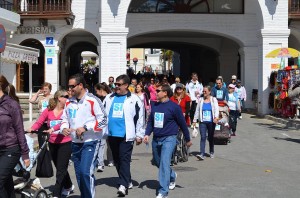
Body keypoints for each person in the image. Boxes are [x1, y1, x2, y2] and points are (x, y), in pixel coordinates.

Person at [60, 74, 107, 198]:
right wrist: (63, 128)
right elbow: (64, 118)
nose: (70, 89)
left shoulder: (93, 100)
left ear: (80, 85)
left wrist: (86, 128)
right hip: (75, 142)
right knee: (80, 174)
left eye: (72, 86)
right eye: (68, 87)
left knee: (86, 172)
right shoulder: (69, 102)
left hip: (91, 141)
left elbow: (103, 120)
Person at [143, 84, 192, 198]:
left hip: (169, 138)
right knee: (157, 161)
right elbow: (151, 122)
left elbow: (182, 123)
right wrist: (146, 134)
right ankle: (172, 175)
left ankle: (163, 191)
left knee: (164, 163)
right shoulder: (154, 105)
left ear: (165, 93)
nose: (156, 92)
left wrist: (188, 139)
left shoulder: (174, 107)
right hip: (156, 138)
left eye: (158, 90)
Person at [103, 74, 145, 196]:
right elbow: (103, 115)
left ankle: (123, 185)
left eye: (119, 84)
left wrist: (139, 135)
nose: (116, 86)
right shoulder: (109, 98)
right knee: (117, 160)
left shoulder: (134, 99)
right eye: (115, 84)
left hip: (126, 135)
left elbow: (140, 118)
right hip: (111, 134)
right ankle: (127, 180)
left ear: (126, 85)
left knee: (124, 159)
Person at [28, 89, 74, 197]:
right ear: (59, 98)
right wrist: (32, 129)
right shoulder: (48, 111)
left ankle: (56, 194)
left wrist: (53, 128)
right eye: (66, 96)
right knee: (60, 168)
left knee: (61, 169)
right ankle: (68, 185)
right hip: (53, 142)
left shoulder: (68, 110)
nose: (68, 98)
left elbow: (64, 123)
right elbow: (39, 122)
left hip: (65, 143)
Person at [0, 75, 30, 197]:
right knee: (6, 184)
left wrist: (25, 154)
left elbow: (19, 130)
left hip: (11, 148)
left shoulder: (11, 104)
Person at [193, 86, 219, 160]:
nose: (204, 93)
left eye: (205, 91)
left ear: (209, 92)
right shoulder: (200, 100)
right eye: (203, 91)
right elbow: (197, 110)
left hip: (211, 122)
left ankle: (211, 151)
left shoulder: (213, 100)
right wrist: (194, 120)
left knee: (210, 137)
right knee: (203, 137)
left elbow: (216, 109)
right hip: (203, 122)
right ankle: (202, 153)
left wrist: (216, 117)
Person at [94, 83, 114, 171]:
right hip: (102, 124)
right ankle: (100, 163)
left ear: (100, 90)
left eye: (96, 91)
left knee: (110, 144)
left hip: (110, 123)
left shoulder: (110, 97)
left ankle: (111, 160)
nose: (95, 93)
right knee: (101, 144)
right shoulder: (97, 99)